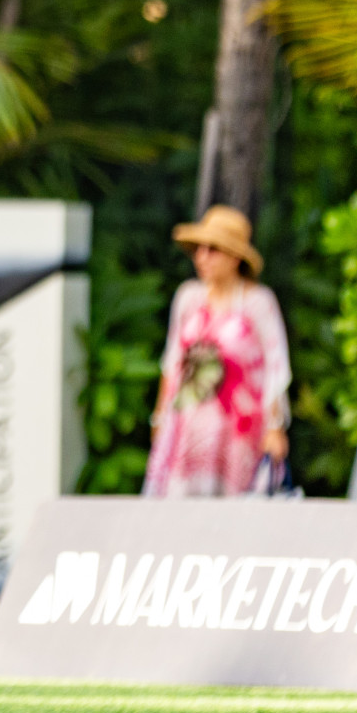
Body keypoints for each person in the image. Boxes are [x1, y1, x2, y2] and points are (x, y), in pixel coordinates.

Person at [144, 205, 291, 497]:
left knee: (233, 510)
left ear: (235, 257)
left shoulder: (258, 302)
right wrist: (159, 418)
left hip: (237, 435)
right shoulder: (188, 297)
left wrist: (275, 427)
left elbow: (275, 368)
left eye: (213, 250)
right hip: (188, 429)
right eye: (199, 249)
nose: (202, 257)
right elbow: (172, 362)